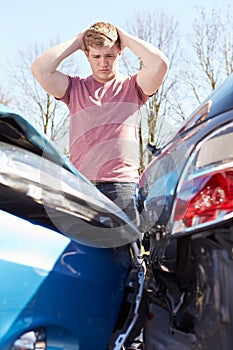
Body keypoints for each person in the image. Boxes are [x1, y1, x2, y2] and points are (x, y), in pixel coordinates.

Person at [31, 21, 169, 349]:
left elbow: (160, 64)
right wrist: (76, 40)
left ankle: (132, 341)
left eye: (110, 55)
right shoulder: (74, 89)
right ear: (87, 56)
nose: (104, 62)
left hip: (121, 187)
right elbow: (40, 68)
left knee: (130, 269)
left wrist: (124, 36)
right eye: (96, 56)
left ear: (119, 53)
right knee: (77, 264)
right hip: (82, 191)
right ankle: (83, 335)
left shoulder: (134, 87)